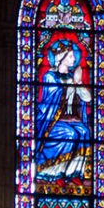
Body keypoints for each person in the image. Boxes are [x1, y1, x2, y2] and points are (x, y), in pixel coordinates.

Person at [34, 38, 92, 181]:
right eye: (71, 56)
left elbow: (87, 98)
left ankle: (73, 172)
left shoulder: (72, 77)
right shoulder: (50, 77)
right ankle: (53, 171)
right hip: (53, 120)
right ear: (61, 58)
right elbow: (53, 97)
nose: (74, 59)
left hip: (71, 119)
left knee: (84, 132)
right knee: (71, 134)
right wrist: (71, 84)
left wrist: (78, 83)